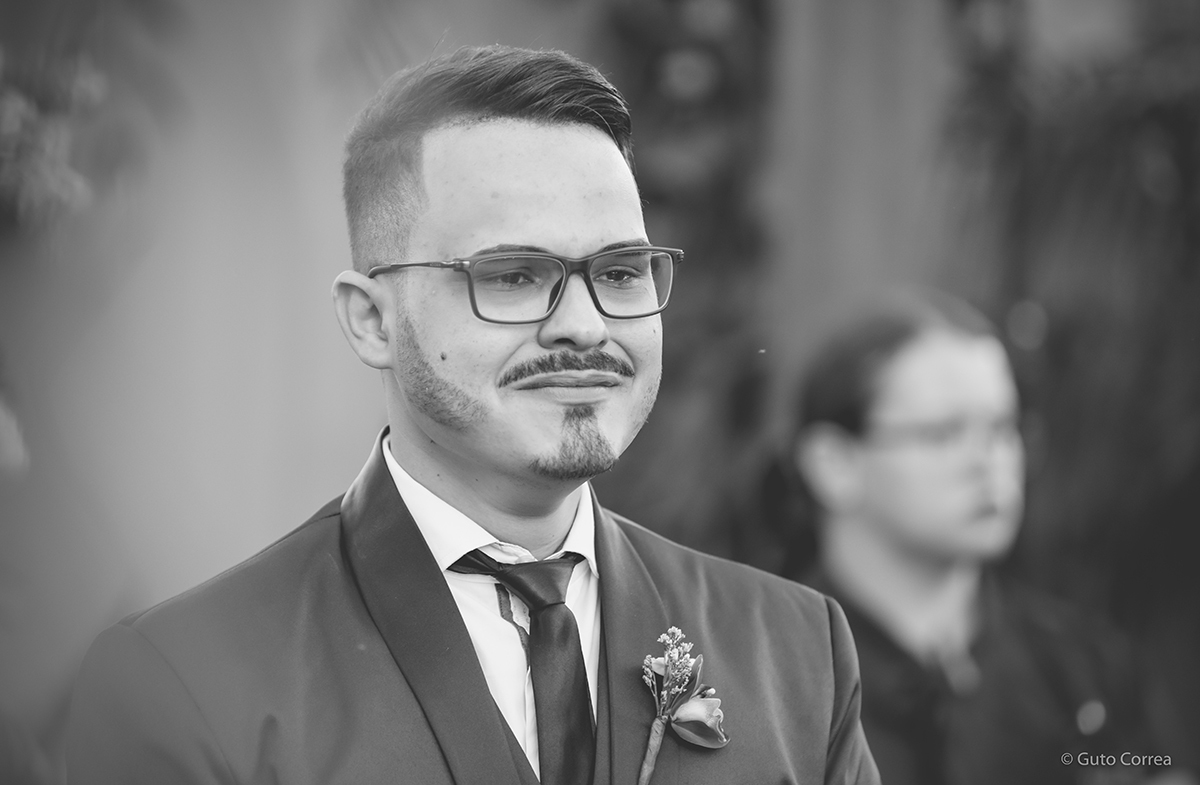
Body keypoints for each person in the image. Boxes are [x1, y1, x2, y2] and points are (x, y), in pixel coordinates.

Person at [64, 45, 879, 785]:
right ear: (373, 321)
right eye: (514, 275)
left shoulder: (795, 653)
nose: (585, 325)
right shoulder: (185, 684)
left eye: (620, 272)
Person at [783, 291, 1171, 785]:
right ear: (833, 464)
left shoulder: (1088, 675)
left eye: (1004, 428)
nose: (990, 461)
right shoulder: (767, 673)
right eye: (943, 433)